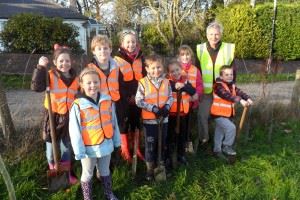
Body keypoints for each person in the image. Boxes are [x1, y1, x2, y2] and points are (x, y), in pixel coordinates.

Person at [69, 68, 120, 200]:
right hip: (88, 148)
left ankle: (108, 193)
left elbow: (113, 122)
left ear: (100, 82)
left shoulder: (107, 100)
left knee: (105, 170)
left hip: (106, 144)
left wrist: (116, 140)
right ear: (82, 84)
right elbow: (74, 130)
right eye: (89, 83)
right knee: (87, 173)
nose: (93, 85)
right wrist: (79, 150)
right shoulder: (78, 105)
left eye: (96, 82)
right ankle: (88, 197)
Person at [31, 44, 78, 185]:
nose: (64, 64)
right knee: (51, 150)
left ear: (72, 62)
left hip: (68, 118)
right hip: (52, 116)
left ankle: (66, 173)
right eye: (61, 61)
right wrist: (40, 67)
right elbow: (36, 87)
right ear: (55, 63)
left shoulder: (76, 78)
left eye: (67, 61)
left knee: (66, 148)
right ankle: (53, 169)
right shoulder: (50, 75)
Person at [196, 21, 236, 149]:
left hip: (222, 92)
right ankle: (204, 140)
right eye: (211, 34)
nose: (214, 37)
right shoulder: (200, 49)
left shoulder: (228, 49)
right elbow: (197, 71)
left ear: (221, 34)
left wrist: (231, 90)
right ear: (207, 35)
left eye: (217, 34)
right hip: (206, 92)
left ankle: (220, 144)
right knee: (202, 116)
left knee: (223, 117)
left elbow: (233, 71)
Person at [135, 54, 173, 181]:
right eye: (152, 68)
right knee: (150, 145)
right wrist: (153, 109)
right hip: (150, 121)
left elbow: (170, 97)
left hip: (164, 120)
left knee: (162, 144)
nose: (156, 70)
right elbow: (138, 101)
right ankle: (150, 169)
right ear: (147, 69)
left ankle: (161, 166)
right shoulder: (143, 82)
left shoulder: (166, 81)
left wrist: (167, 107)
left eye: (158, 67)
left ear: (162, 67)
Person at [114, 29, 147, 162]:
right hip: (123, 98)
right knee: (123, 123)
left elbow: (145, 78)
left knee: (136, 122)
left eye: (133, 41)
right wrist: (128, 96)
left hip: (139, 97)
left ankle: (136, 149)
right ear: (122, 43)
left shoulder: (141, 58)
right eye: (128, 42)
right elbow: (117, 81)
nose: (131, 44)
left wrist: (138, 95)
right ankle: (125, 150)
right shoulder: (116, 60)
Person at [211, 65, 253, 157]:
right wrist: (240, 100)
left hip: (226, 114)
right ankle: (227, 146)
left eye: (231, 74)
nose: (230, 76)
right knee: (231, 128)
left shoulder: (232, 86)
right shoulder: (218, 86)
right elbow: (227, 96)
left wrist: (247, 98)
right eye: (226, 74)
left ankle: (217, 150)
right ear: (221, 76)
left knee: (220, 132)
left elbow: (240, 92)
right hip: (218, 114)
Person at [166, 59, 196, 167]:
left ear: (181, 69)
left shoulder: (185, 81)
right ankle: (168, 157)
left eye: (177, 70)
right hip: (172, 115)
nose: (175, 73)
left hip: (183, 114)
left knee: (182, 136)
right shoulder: (167, 82)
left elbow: (193, 91)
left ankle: (181, 155)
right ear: (169, 73)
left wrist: (183, 86)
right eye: (172, 71)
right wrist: (177, 85)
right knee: (171, 136)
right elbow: (173, 87)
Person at [177, 45, 203, 153]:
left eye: (187, 54)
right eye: (182, 54)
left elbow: (199, 85)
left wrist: (196, 95)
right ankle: (178, 147)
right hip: (178, 106)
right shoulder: (176, 68)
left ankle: (188, 147)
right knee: (178, 127)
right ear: (178, 57)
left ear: (191, 56)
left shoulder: (195, 70)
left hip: (191, 103)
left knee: (188, 127)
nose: (185, 57)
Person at [87, 35, 120, 102]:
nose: (103, 51)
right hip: (99, 102)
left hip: (115, 102)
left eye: (105, 48)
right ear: (93, 51)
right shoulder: (90, 68)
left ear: (110, 50)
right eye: (99, 49)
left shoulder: (116, 66)